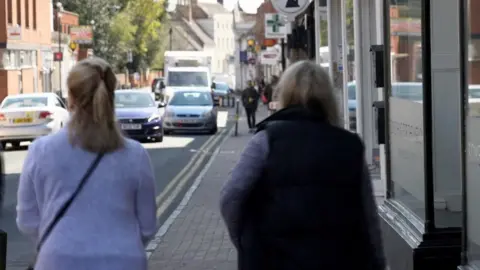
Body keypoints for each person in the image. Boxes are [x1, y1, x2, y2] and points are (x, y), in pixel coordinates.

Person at [220, 61, 385, 270]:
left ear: (285, 94)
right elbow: (368, 215)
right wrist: (378, 262)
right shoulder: (350, 145)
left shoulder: (266, 140)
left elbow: (230, 196)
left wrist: (246, 243)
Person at [16, 57, 157, 270]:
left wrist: (58, 243)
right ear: (111, 97)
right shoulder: (135, 155)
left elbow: (27, 220)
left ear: (70, 98)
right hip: (123, 261)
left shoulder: (41, 150)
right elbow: (148, 226)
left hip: (58, 260)